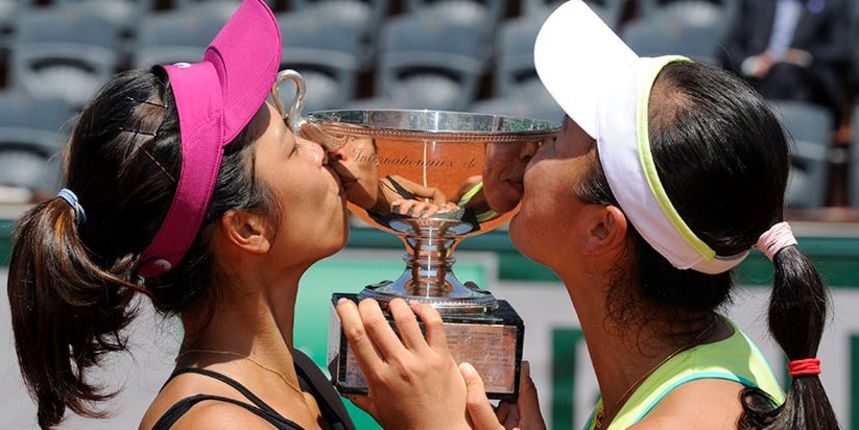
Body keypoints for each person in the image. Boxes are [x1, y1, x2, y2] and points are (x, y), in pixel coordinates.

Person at [335, 1, 839, 429]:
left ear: (601, 229)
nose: (530, 148)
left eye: (557, 137)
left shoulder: (686, 417)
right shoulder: (686, 373)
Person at [7, 1, 357, 429]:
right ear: (247, 227)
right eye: (291, 146)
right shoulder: (219, 425)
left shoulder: (298, 379)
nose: (321, 150)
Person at [720, 0, 852, 121]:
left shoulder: (832, 4)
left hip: (806, 79)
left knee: (784, 73)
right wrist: (752, 64)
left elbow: (840, 50)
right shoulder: (756, 3)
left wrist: (804, 57)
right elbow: (730, 47)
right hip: (758, 76)